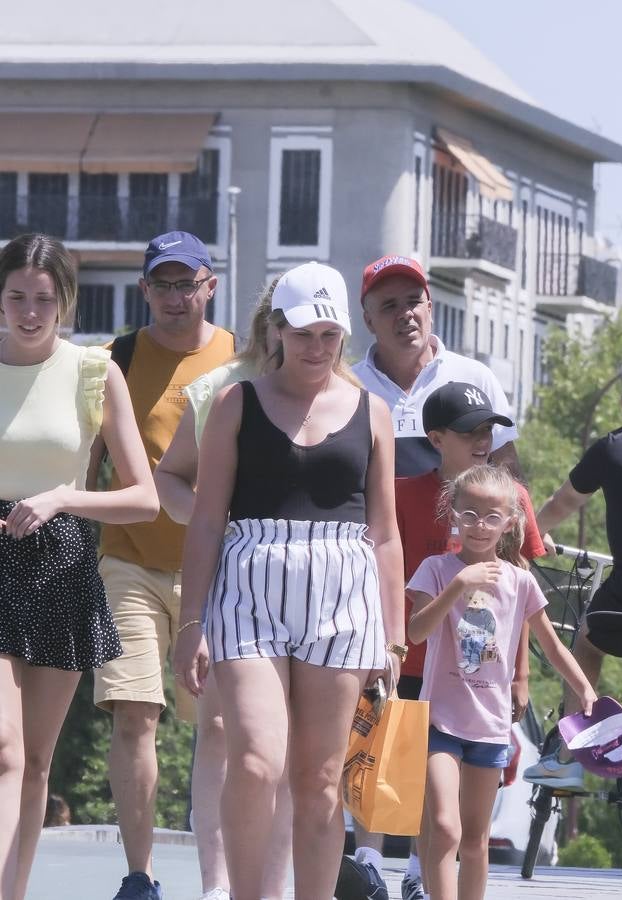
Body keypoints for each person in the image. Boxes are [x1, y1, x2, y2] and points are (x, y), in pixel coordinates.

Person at [173, 262, 406, 900]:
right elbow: (206, 520)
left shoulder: (373, 412)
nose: (316, 347)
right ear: (276, 329)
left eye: (329, 335)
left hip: (343, 594)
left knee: (321, 779)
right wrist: (191, 623)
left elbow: (386, 534)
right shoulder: (236, 403)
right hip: (250, 587)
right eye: (303, 333)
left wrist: (394, 639)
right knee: (254, 759)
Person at [77, 231, 238, 900]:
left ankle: (219, 881)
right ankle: (140, 876)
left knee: (221, 725)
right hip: (130, 565)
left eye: (187, 283)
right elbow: (84, 467)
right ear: (144, 289)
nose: (175, 297)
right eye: (162, 284)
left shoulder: (242, 359)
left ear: (210, 286)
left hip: (222, 573)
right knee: (134, 714)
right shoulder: (111, 360)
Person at [0, 233, 159, 900]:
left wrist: (64, 497)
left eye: (43, 299)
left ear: (65, 301)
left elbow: (144, 498)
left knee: (37, 761)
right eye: (16, 297)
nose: (29, 312)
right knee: (4, 747)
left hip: (60, 561)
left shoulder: (95, 372)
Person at [348, 382, 548, 900]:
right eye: (469, 432)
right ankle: (369, 863)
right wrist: (383, 648)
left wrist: (522, 673)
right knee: (387, 765)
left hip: (472, 674)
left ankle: (420, 876)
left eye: (488, 432)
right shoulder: (401, 492)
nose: (483, 441)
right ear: (437, 439)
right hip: (406, 656)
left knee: (445, 799)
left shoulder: (510, 498)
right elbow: (379, 572)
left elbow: (520, 594)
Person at [154, 282, 292, 900]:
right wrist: (211, 518)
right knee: (215, 729)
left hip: (304, 584)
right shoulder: (221, 387)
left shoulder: (335, 390)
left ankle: (275, 884)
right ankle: (216, 883)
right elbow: (169, 478)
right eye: (283, 324)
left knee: (287, 743)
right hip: (226, 576)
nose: (294, 339)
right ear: (265, 326)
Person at [407, 464, 597, 900]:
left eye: (492, 517)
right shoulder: (437, 569)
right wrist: (458, 585)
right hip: (439, 722)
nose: (479, 525)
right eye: (470, 514)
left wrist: (584, 688)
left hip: (491, 728)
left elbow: (552, 646)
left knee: (475, 840)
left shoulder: (520, 581)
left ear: (510, 522)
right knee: (444, 827)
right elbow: (416, 632)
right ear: (453, 513)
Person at [524, 351, 622, 790]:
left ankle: (568, 757)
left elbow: (561, 504)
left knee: (587, 641)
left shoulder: (613, 447)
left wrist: (533, 538)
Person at [352, 254, 518, 478]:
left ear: (429, 310)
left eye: (414, 301)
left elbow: (509, 476)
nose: (406, 314)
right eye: (389, 306)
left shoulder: (475, 378)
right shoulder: (349, 387)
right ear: (369, 321)